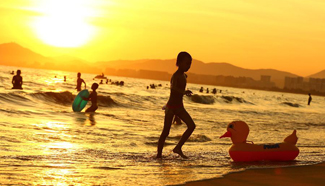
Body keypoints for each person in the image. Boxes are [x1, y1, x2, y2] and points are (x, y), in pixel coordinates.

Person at [157, 51, 195, 159]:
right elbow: (173, 88)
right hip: (171, 108)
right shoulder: (175, 75)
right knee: (165, 132)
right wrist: (184, 92)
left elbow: (179, 88)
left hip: (179, 108)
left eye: (190, 64)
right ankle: (159, 155)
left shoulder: (184, 76)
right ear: (179, 63)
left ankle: (178, 148)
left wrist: (185, 91)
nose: (188, 66)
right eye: (186, 63)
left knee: (191, 126)